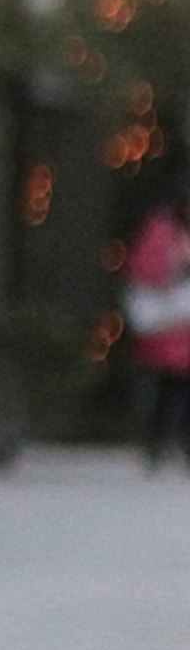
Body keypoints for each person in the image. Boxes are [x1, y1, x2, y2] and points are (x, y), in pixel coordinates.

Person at [128, 175, 190, 468]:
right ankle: (162, 439)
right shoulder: (161, 232)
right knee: (171, 386)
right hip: (168, 324)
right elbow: (144, 269)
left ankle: (171, 438)